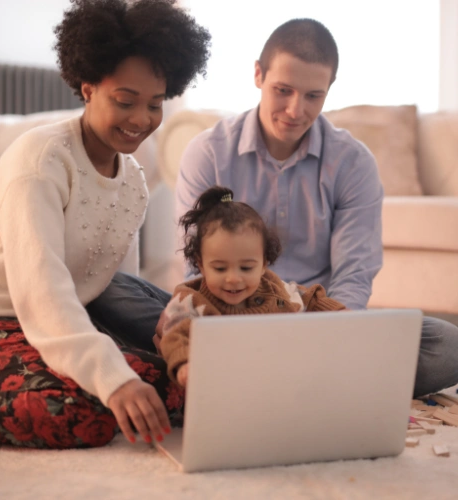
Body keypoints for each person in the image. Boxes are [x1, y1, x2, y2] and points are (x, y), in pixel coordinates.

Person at [0, 0, 210, 448]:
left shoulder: (132, 180)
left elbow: (114, 285)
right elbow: (42, 290)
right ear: (88, 86)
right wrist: (114, 379)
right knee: (79, 410)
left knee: (180, 387)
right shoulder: (40, 161)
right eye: (125, 101)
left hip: (63, 320)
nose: (141, 120)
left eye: (155, 104)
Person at [174, 18, 458, 398]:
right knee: (133, 301)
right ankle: (315, 383)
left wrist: (323, 338)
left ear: (329, 91)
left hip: (316, 321)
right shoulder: (208, 152)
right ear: (258, 75)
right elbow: (194, 264)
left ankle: (269, 379)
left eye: (313, 96)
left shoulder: (354, 163)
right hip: (227, 314)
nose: (295, 110)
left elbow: (355, 274)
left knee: (447, 345)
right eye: (283, 90)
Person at [154, 186, 346, 387]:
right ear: (201, 264)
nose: (233, 279)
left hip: (276, 379)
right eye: (220, 269)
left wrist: (340, 313)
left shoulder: (274, 290)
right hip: (219, 383)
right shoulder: (190, 301)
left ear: (264, 264)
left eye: (246, 268)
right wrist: (185, 363)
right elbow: (174, 334)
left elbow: (309, 298)